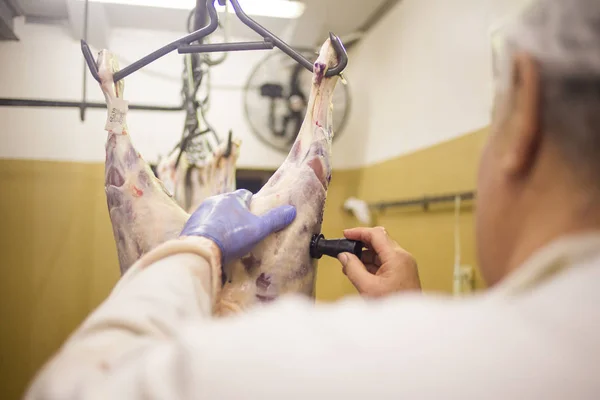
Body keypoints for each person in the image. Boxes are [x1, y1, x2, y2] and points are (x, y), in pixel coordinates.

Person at [25, 0, 600, 398]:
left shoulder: (290, 363)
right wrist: (405, 316)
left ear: (526, 107)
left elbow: (74, 388)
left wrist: (193, 249)